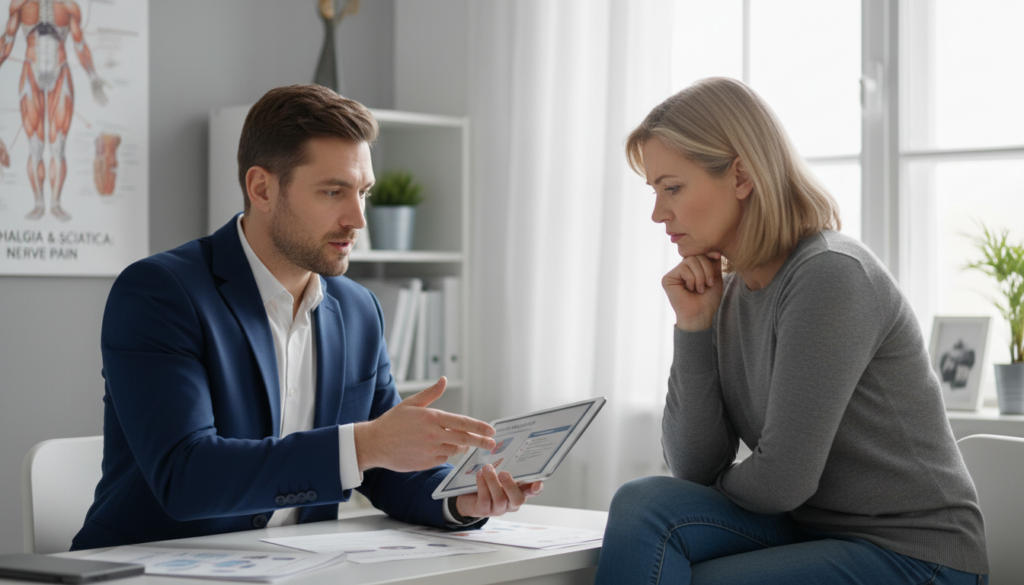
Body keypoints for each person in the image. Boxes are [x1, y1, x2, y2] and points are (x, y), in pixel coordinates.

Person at [71, 84, 541, 550]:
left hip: (294, 568)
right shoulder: (161, 293)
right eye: (333, 191)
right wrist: (364, 444)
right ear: (262, 189)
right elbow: (186, 475)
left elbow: (381, 468)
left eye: (364, 192)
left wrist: (459, 500)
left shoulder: (358, 310)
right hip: (149, 570)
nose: (357, 219)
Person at [593, 77, 988, 584]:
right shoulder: (728, 292)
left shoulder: (830, 273)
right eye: (655, 191)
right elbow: (693, 466)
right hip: (811, 529)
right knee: (643, 502)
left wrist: (725, 488)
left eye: (672, 188)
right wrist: (694, 327)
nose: (657, 213)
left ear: (740, 176)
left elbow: (782, 481)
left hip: (916, 555)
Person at [0, 0, 109, 221]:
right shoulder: (20, 4)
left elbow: (79, 44)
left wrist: (93, 77)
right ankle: (39, 204)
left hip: (60, 74)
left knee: (58, 145)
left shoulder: (68, 6)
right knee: (35, 146)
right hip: (31, 72)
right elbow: (7, 40)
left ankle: (56, 204)